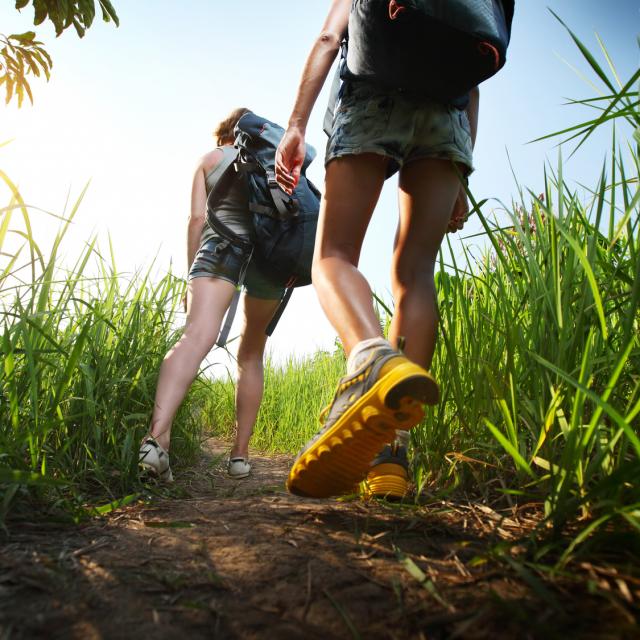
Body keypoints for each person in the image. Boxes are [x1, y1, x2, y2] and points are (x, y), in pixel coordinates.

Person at [275, 0, 478, 498]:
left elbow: (329, 40)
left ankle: (371, 357)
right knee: (415, 275)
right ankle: (391, 458)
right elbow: (473, 76)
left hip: (371, 97)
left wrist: (296, 124)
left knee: (332, 256)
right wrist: (464, 172)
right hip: (448, 116)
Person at [139, 107, 285, 482]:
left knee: (195, 338)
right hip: (271, 260)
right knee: (251, 354)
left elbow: (197, 220)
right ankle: (239, 457)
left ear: (223, 133)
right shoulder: (275, 159)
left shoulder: (210, 159)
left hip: (220, 249)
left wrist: (192, 273)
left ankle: (155, 442)